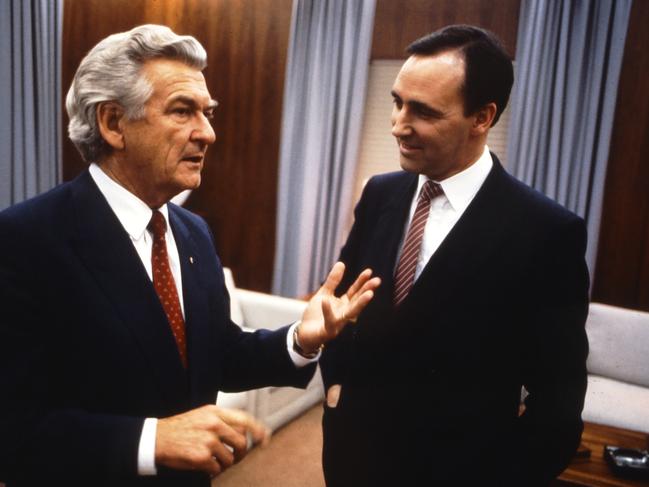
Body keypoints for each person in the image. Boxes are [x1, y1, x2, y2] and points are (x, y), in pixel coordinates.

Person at [0, 25, 380, 487]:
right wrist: (151, 440)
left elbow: (215, 352)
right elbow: (15, 432)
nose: (209, 133)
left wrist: (301, 338)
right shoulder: (25, 239)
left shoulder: (192, 231)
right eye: (183, 111)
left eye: (208, 112)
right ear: (113, 123)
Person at [319, 25, 589, 486]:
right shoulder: (379, 194)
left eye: (422, 111)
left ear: (482, 117)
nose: (398, 124)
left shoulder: (547, 232)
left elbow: (558, 404)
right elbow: (343, 304)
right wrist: (336, 391)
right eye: (397, 101)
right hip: (352, 459)